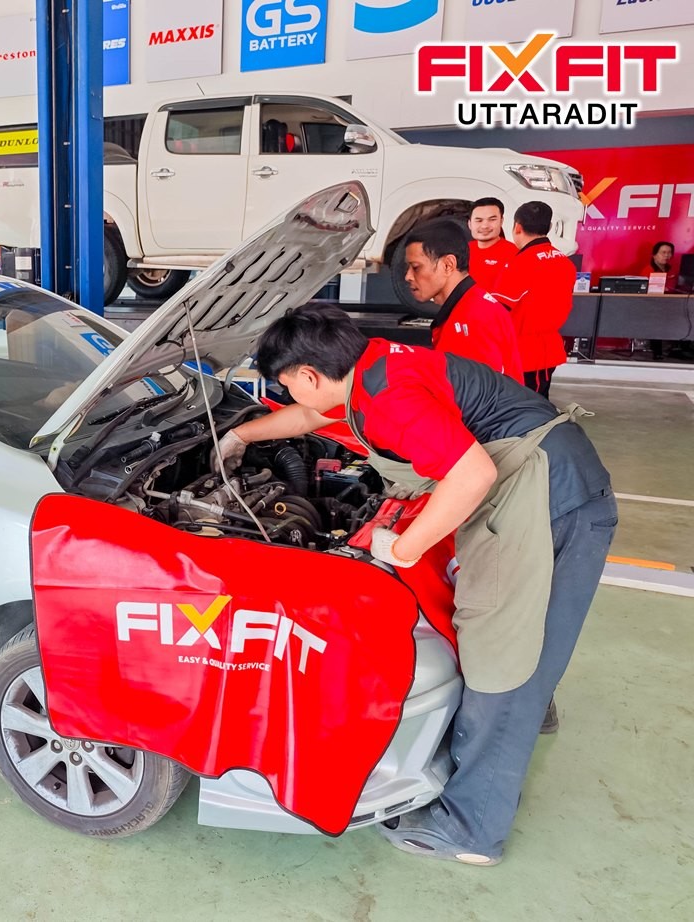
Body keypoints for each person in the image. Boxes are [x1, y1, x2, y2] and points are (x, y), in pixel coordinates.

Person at [215, 306, 615, 865]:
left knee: (498, 650)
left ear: (310, 374)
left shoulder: (389, 397)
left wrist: (401, 548)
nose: (288, 394)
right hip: (561, 482)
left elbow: (473, 474)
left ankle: (471, 828)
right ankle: (530, 714)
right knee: (534, 626)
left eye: (286, 383)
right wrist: (239, 435)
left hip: (546, 498)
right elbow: (307, 417)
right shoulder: (371, 366)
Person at [403, 218, 523, 382]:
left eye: (416, 267)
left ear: (448, 265)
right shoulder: (470, 306)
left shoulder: (473, 319)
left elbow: (479, 393)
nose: (408, 276)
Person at [489, 202, 577, 398]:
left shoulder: (521, 263)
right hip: (548, 348)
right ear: (550, 227)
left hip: (524, 353)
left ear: (517, 227)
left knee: (524, 404)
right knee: (538, 401)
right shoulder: (565, 262)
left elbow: (497, 310)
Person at [467, 197, 518, 291]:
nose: (485, 226)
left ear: (501, 221)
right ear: (469, 224)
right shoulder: (462, 250)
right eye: (479, 220)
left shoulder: (514, 254)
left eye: (492, 219)